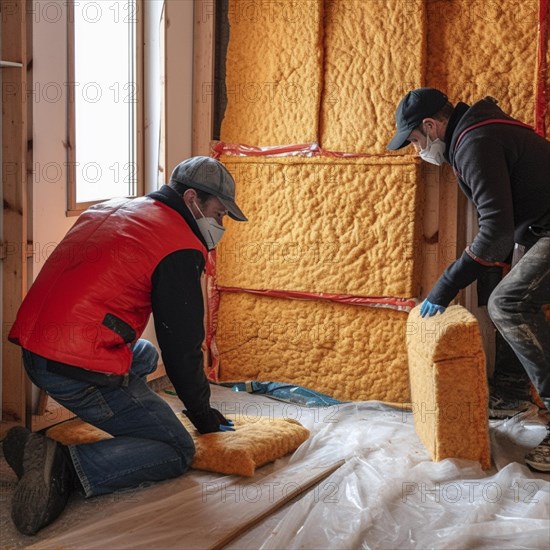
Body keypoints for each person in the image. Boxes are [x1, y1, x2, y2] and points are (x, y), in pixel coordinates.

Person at [5, 156, 247, 535]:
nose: (220, 226)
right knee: (174, 448)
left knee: (144, 354)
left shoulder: (118, 207)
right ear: (191, 200)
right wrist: (202, 415)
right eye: (218, 215)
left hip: (38, 348)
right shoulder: (180, 245)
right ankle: (65, 466)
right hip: (75, 369)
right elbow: (182, 347)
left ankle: (46, 454)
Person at [387, 88, 550, 472]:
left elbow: (494, 233)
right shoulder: (476, 131)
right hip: (538, 230)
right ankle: (512, 392)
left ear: (429, 126)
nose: (418, 152)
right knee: (508, 298)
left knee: (508, 304)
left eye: (414, 141)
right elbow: (501, 227)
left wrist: (445, 286)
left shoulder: (474, 141)